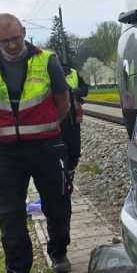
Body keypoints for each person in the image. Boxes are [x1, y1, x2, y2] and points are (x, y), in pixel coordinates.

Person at [0, 14, 72, 273]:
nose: (11, 45)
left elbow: (62, 100)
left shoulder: (46, 60)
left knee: (57, 205)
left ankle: (58, 251)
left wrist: (47, 127)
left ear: (23, 31)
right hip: (7, 153)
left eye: (15, 38)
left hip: (46, 146)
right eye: (3, 41)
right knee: (10, 218)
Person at [60, 61, 89, 189]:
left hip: (73, 119)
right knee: (60, 149)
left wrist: (77, 91)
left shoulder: (74, 73)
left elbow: (85, 90)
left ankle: (69, 172)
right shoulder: (50, 72)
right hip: (58, 120)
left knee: (74, 151)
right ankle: (62, 175)